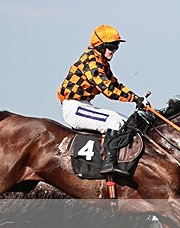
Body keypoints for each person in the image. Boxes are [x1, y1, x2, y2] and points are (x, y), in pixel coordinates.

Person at [57, 24, 144, 175]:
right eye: (112, 46)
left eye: (116, 46)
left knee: (125, 122)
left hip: (84, 105)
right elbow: (108, 90)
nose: (114, 50)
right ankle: (108, 164)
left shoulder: (102, 62)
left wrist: (137, 97)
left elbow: (115, 84)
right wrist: (132, 99)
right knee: (114, 122)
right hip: (74, 108)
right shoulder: (91, 61)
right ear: (101, 46)